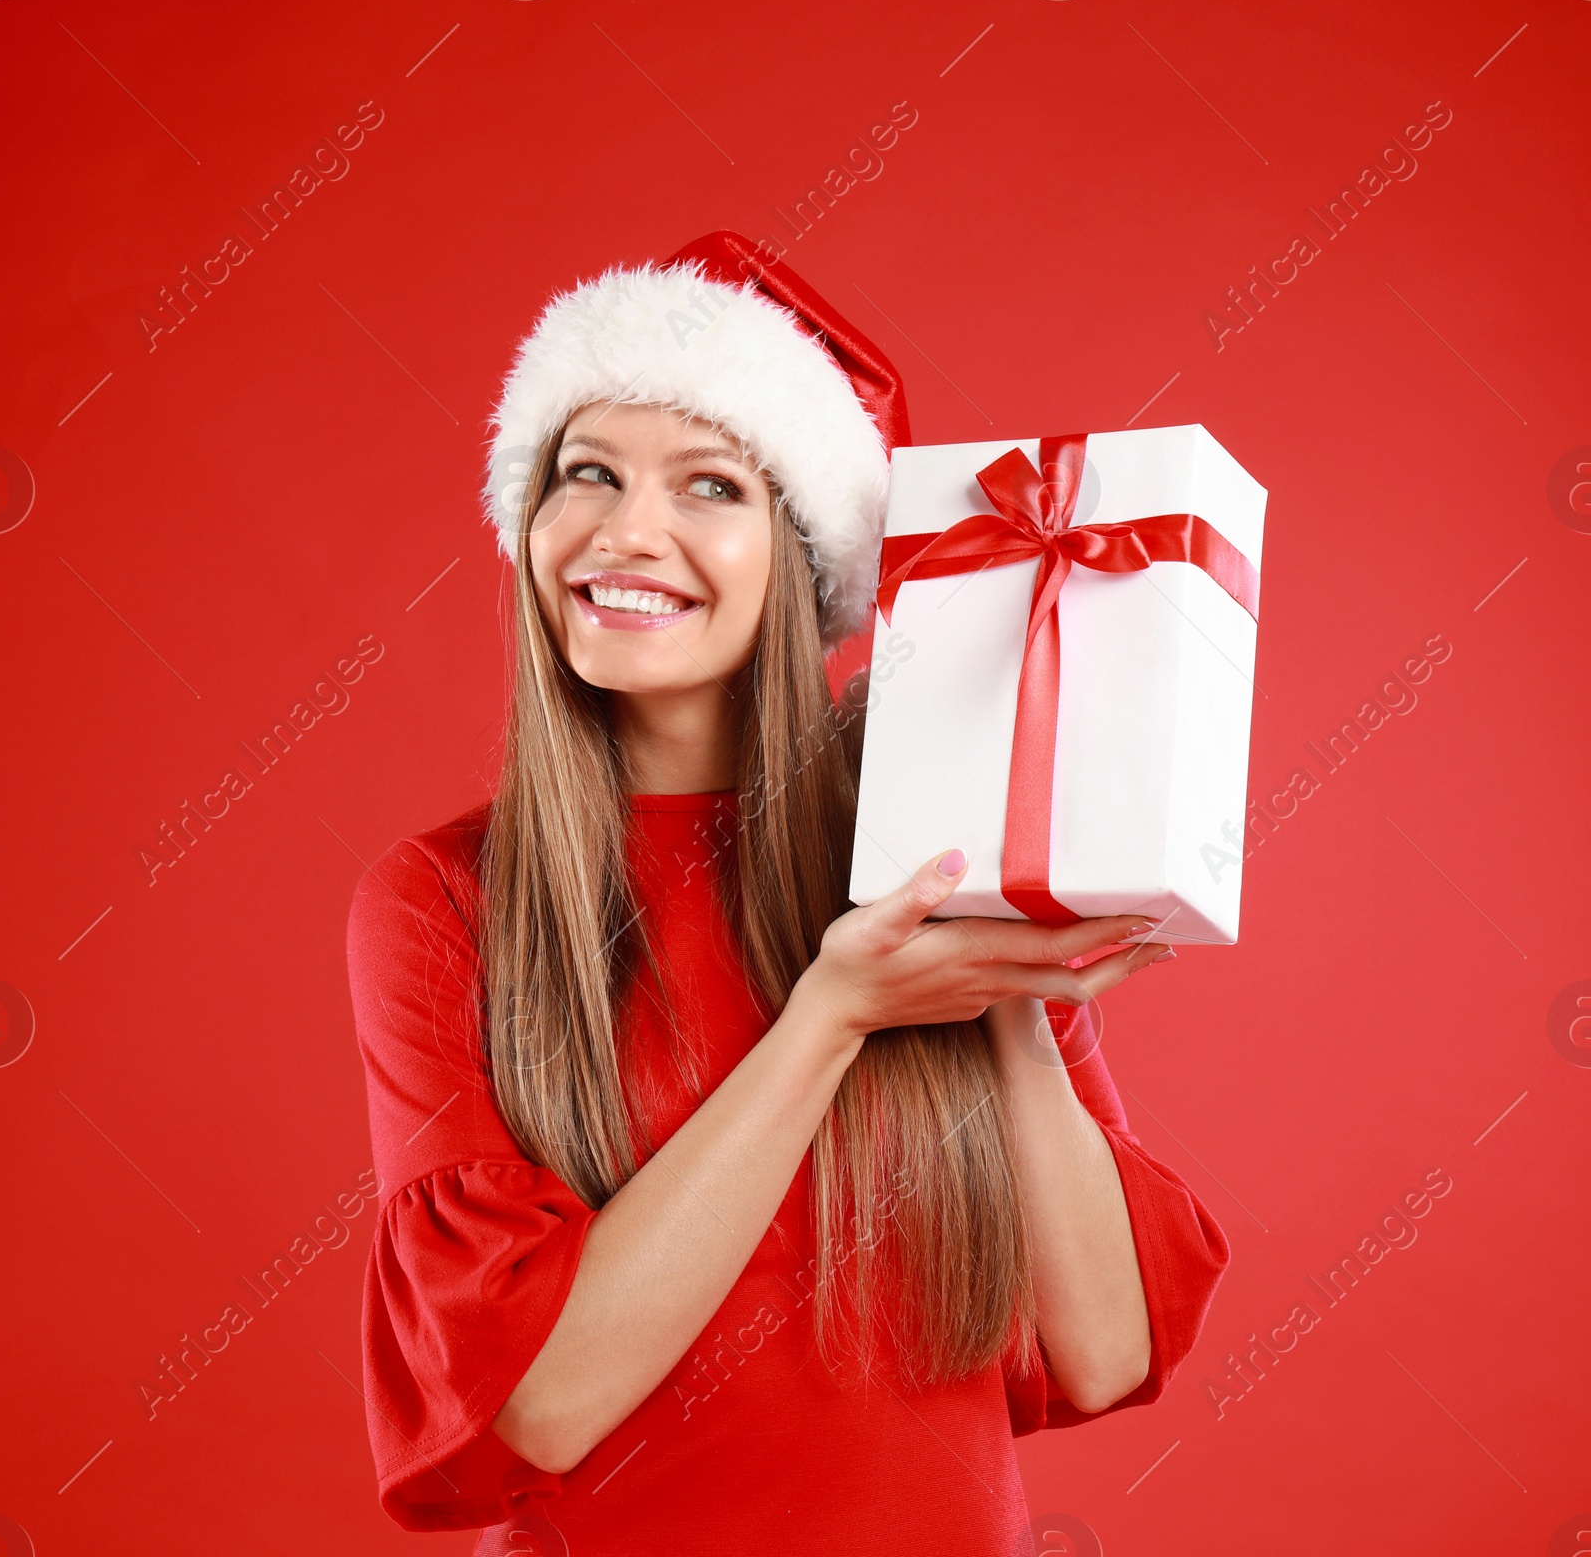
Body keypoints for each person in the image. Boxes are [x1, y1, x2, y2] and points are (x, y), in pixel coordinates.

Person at [346, 230, 1229, 1556]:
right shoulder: (442, 902)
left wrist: (1002, 989)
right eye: (587, 472)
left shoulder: (929, 854)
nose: (626, 530)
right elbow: (540, 1400)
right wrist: (830, 1018)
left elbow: (1100, 1346)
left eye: (710, 485)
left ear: (801, 555)